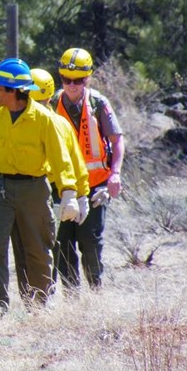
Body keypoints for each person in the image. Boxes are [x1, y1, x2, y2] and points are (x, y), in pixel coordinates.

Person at [0, 58, 79, 309]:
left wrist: (69, 191)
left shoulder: (43, 119)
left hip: (34, 189)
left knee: (38, 248)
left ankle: (40, 302)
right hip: (1, 189)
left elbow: (61, 159)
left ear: (15, 91)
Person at [50, 48, 125, 289]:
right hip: (61, 187)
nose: (71, 85)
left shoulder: (98, 103)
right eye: (66, 80)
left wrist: (115, 174)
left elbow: (116, 140)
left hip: (95, 186)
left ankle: (96, 289)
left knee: (90, 241)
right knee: (62, 242)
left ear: (87, 78)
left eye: (78, 80)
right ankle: (72, 294)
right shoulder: (52, 103)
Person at [29, 68, 91, 287]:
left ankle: (55, 292)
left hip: (53, 190)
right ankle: (44, 293)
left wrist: (81, 195)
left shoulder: (58, 124)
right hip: (39, 190)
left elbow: (75, 162)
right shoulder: (56, 123)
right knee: (45, 246)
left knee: (55, 244)